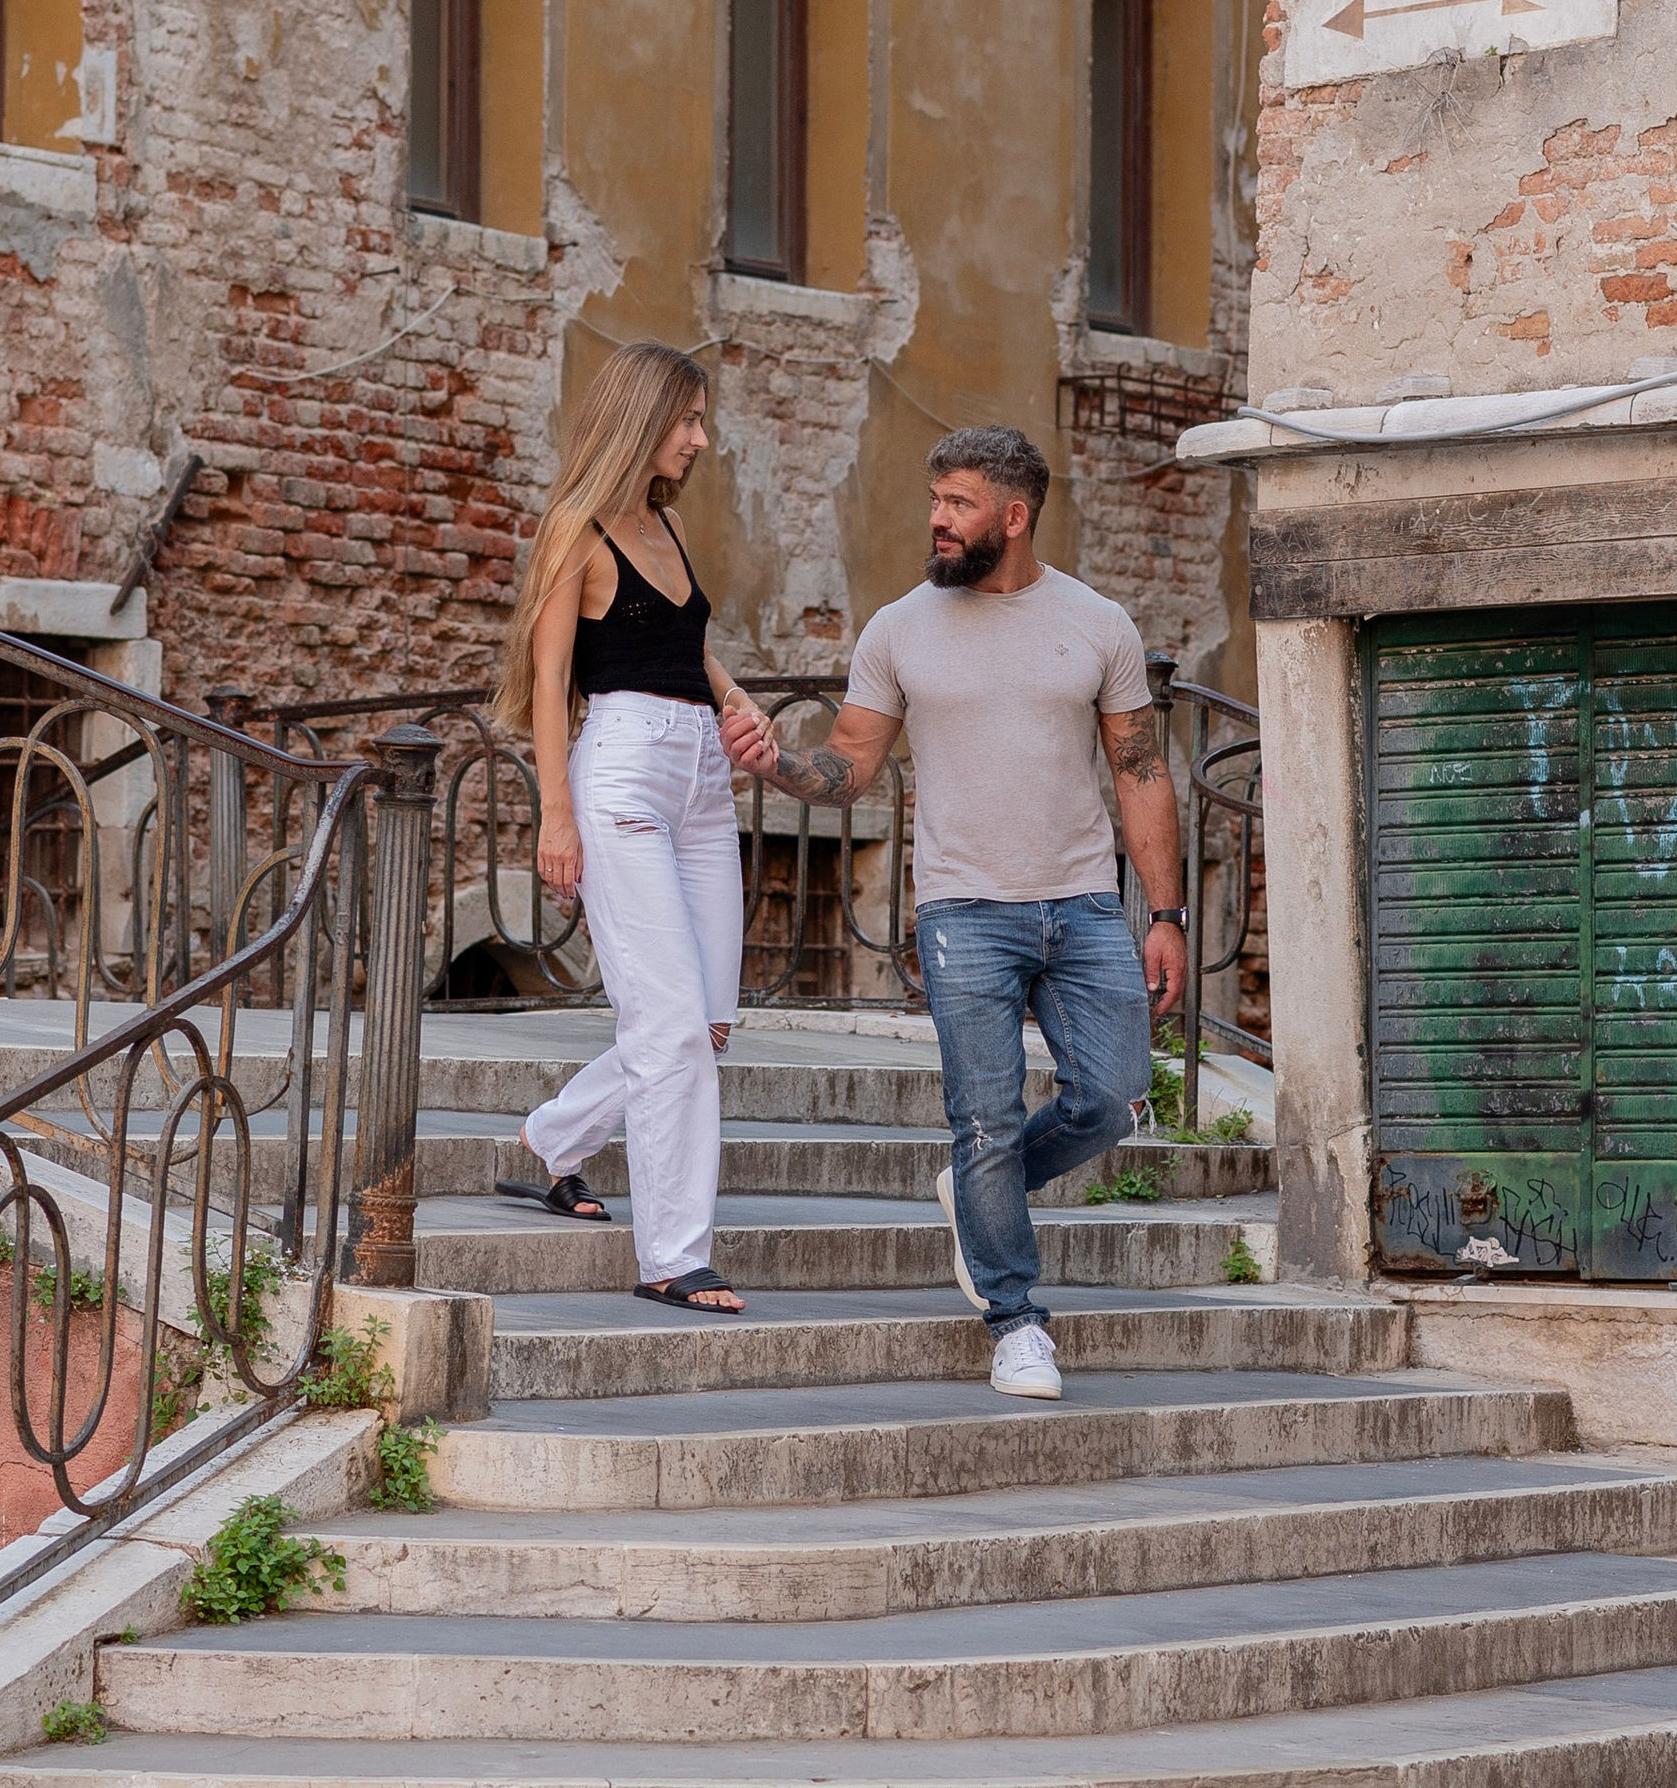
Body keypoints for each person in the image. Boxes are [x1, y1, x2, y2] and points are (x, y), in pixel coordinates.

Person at [724, 426, 1184, 1397]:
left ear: (1013, 517)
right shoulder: (899, 627)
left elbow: (1140, 772)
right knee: (982, 1117)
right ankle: (1017, 1319)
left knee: (1112, 1098)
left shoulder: (1097, 622)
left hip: (1083, 904)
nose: (937, 518)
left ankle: (986, 1194)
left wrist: (1167, 913)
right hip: (962, 909)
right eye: (934, 498)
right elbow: (849, 764)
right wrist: (779, 764)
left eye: (960, 501)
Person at [493, 340, 761, 1313]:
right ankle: (674, 1256)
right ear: (643, 420)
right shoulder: (576, 527)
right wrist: (553, 817)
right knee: (669, 1028)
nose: (698, 436)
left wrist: (736, 700)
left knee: (707, 1022)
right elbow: (550, 682)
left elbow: (682, 640)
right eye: (687, 419)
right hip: (620, 774)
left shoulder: (664, 522)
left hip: (698, 777)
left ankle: (556, 1139)